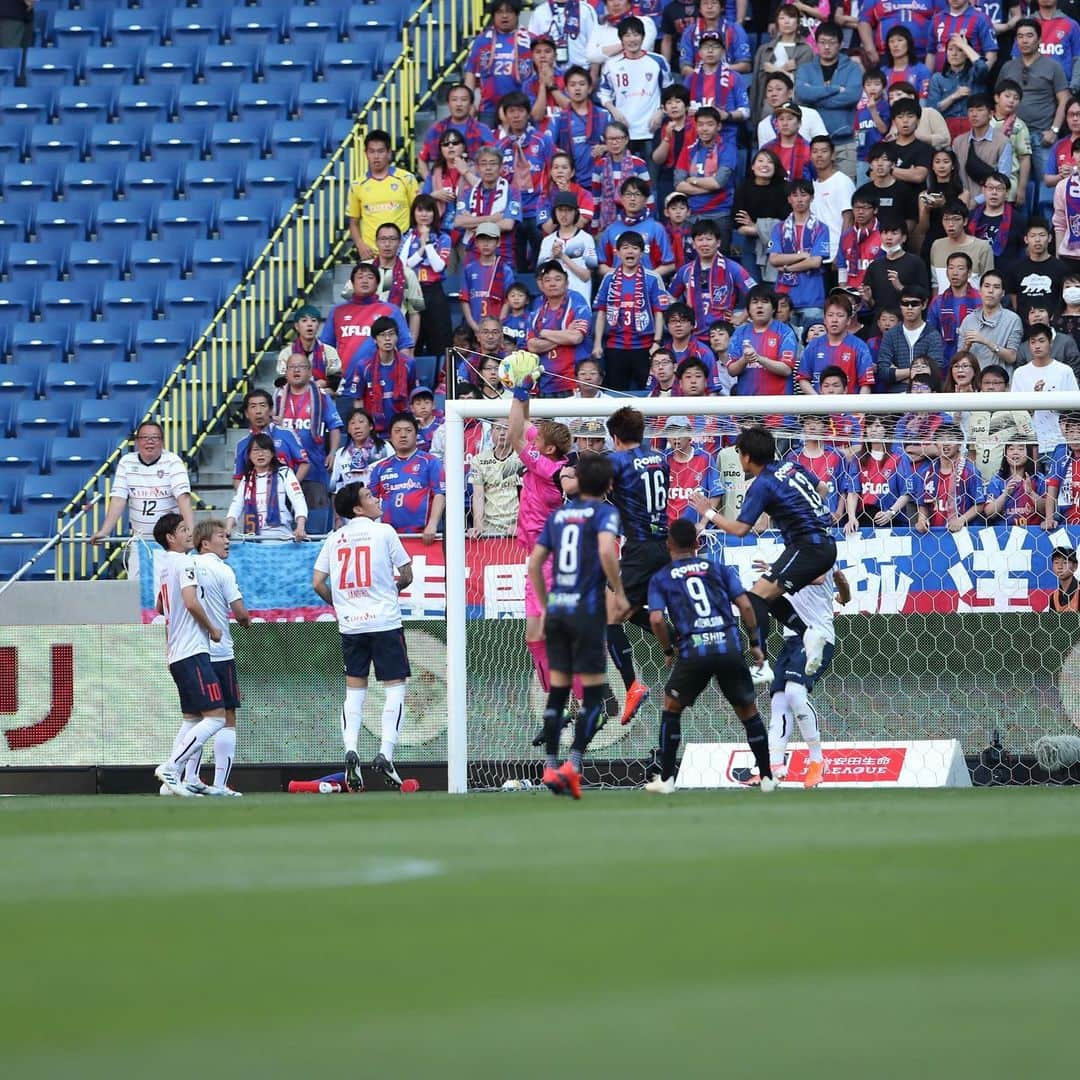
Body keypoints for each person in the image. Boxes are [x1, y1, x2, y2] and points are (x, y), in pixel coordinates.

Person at [691, 425, 835, 686]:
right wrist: (792, 513)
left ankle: (762, 664)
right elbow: (823, 489)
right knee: (765, 595)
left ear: (746, 457)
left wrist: (708, 512)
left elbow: (740, 530)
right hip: (820, 544)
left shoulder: (762, 484)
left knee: (753, 598)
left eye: (739, 453)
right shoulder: (791, 466)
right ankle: (808, 634)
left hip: (808, 547)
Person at [644, 518, 776, 794]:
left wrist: (668, 649)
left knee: (671, 706)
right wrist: (755, 643)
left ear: (668, 545)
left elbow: (656, 619)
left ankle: (667, 780)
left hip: (694, 651)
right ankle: (767, 778)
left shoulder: (661, 577)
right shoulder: (719, 569)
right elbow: (745, 605)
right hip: (728, 646)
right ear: (697, 543)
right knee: (748, 711)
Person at [528, 454, 629, 798]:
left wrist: (546, 604)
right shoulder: (605, 513)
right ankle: (573, 764)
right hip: (585, 612)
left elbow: (535, 562)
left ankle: (550, 766)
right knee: (593, 695)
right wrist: (619, 591)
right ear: (608, 485)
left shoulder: (558, 515)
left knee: (557, 692)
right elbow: (605, 552)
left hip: (558, 610)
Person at [312, 483, 415, 792]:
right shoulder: (383, 532)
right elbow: (407, 573)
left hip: (351, 625)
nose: (376, 499)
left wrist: (341, 604)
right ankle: (385, 752)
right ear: (358, 508)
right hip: (384, 621)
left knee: (355, 691)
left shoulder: (334, 539)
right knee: (395, 688)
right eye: (369, 496)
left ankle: (350, 749)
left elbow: (317, 582)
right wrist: (392, 590)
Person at [151, 513, 228, 798]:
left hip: (175, 653)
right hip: (192, 650)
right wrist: (213, 628)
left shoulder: (164, 566)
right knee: (217, 717)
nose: (188, 533)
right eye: (183, 529)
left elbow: (160, 606)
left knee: (192, 719)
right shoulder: (185, 562)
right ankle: (172, 767)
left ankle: (171, 783)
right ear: (171, 538)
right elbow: (190, 601)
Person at [604, 405, 672, 725]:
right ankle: (680, 642)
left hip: (640, 550)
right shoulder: (661, 457)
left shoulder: (617, 460)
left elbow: (591, 482)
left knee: (608, 618)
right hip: (663, 544)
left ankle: (632, 686)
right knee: (628, 612)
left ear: (615, 437)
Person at [766, 564, 851, 788]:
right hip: (793, 638)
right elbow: (840, 578)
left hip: (819, 636)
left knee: (795, 692)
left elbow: (822, 577)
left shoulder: (817, 553)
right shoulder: (791, 557)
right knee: (779, 699)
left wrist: (778, 573)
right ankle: (774, 767)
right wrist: (844, 596)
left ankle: (817, 760)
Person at [183, 519, 250, 797]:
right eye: (222, 536)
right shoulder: (222, 570)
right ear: (205, 542)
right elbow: (240, 614)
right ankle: (221, 783)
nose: (228, 541)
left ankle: (188, 778)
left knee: (197, 718)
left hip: (191, 652)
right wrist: (246, 620)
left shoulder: (184, 567)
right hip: (220, 653)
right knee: (225, 716)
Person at [89, 421, 194, 579]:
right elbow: (118, 499)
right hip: (140, 540)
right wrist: (105, 531)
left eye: (155, 438)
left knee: (171, 587)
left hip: (170, 540)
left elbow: (183, 498)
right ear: (137, 441)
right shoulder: (126, 462)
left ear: (162, 441)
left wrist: (190, 532)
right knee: (138, 589)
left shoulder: (173, 461)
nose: (149, 442)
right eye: (144, 437)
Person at [997, 18, 1070, 214]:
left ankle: (1047, 238)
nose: (1024, 40)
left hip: (1041, 136)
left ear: (1039, 39)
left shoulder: (1052, 66)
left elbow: (1064, 99)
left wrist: (1054, 130)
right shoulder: (1008, 67)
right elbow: (998, 99)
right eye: (1020, 36)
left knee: (1047, 194)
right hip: (1011, 136)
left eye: (1029, 36)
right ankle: (1020, 239)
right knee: (1012, 191)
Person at [273, 352, 343, 534]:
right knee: (284, 527)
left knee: (315, 527)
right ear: (286, 372)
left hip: (315, 470)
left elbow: (335, 426)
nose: (296, 370)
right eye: (292, 367)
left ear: (309, 371)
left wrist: (333, 452)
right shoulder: (278, 398)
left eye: (301, 367)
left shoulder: (321, 397)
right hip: (282, 472)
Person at [593, 231, 672, 392]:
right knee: (615, 394)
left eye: (635, 248)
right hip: (615, 346)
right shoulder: (609, 278)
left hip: (644, 347)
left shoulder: (652, 278)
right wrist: (597, 344)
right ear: (618, 252)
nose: (630, 252)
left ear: (642, 253)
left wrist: (656, 343)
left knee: (650, 392)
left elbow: (659, 313)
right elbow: (601, 312)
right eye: (625, 248)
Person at [598, 16, 673, 161]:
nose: (632, 39)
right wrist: (614, 111)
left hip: (652, 131)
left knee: (651, 181)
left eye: (636, 34)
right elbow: (604, 93)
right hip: (624, 133)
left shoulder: (657, 61)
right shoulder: (611, 65)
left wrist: (660, 112)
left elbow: (669, 92)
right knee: (625, 181)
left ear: (643, 37)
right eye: (627, 35)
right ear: (621, 39)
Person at [793, 21, 862, 179]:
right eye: (822, 42)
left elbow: (852, 96)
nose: (826, 47)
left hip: (844, 142)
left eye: (831, 43)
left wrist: (815, 98)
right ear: (816, 44)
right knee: (815, 194)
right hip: (813, 145)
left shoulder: (852, 68)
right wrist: (835, 89)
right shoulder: (805, 69)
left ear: (840, 44)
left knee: (846, 191)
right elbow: (802, 94)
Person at [369, 412, 446, 542]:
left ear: (416, 435)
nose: (403, 435)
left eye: (408, 430)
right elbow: (371, 499)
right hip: (390, 538)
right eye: (397, 431)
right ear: (390, 436)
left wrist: (432, 525)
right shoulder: (380, 467)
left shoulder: (430, 461)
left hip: (424, 535)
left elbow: (440, 494)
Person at [768, 178, 830, 333]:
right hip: (784, 298)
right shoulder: (779, 228)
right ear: (789, 199)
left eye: (804, 195)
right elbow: (774, 259)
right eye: (795, 195)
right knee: (784, 342)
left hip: (812, 297)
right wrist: (802, 255)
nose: (799, 199)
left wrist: (787, 268)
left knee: (812, 343)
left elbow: (815, 262)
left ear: (812, 197)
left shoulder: (821, 228)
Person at [345, 130, 418, 261]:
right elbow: (353, 222)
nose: (376, 156)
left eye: (380, 151)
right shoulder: (357, 185)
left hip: (403, 253)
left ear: (389, 153)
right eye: (372, 151)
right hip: (371, 254)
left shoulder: (407, 179)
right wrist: (360, 246)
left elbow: (418, 215)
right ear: (366, 154)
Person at [526, 259, 593, 397]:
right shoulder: (536, 312)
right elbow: (532, 346)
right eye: (547, 280)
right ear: (542, 285)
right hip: (545, 383)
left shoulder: (576, 302)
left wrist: (544, 333)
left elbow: (576, 337)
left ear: (567, 283)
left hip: (573, 382)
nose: (552, 283)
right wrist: (564, 335)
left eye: (558, 279)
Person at [344, 316, 418, 438]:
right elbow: (358, 401)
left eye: (391, 334)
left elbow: (413, 395)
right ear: (374, 339)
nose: (387, 339)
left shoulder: (409, 364)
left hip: (402, 430)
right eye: (382, 335)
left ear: (397, 337)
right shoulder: (363, 366)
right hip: (374, 433)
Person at [400, 196, 454, 359]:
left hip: (434, 291)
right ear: (414, 212)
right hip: (412, 291)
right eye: (420, 209)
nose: (424, 214)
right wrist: (422, 249)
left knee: (440, 342)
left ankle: (443, 382)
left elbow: (438, 266)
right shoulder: (406, 237)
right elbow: (403, 265)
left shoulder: (443, 238)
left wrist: (427, 243)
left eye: (428, 210)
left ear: (434, 213)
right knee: (411, 343)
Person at [227, 433, 308, 541]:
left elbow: (298, 499)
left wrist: (300, 527)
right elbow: (236, 505)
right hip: (252, 538)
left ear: (272, 453)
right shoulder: (246, 479)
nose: (260, 454)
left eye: (265, 449)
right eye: (256, 450)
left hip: (280, 535)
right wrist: (228, 528)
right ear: (249, 455)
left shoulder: (285, 473)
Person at [464, 0, 532, 126]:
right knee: (488, 145)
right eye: (499, 12)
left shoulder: (528, 39)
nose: (504, 16)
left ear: (517, 14)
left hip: (520, 109)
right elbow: (470, 72)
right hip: (488, 109)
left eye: (509, 12)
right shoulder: (482, 39)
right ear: (493, 16)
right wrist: (469, 102)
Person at [727, 284, 799, 397]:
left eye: (765, 301)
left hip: (779, 408)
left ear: (774, 308)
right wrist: (744, 360)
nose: (759, 306)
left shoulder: (785, 332)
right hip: (747, 407)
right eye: (755, 302)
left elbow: (786, 369)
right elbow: (731, 370)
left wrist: (758, 359)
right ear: (749, 309)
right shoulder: (739, 333)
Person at [796, 292, 874, 393]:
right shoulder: (813, 346)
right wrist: (818, 402)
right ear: (824, 319)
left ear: (848, 320)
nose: (834, 320)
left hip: (850, 407)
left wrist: (857, 408)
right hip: (820, 407)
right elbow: (803, 379)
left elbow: (866, 384)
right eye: (830, 315)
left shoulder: (859, 347)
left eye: (840, 315)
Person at [417, 82, 496, 179]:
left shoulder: (483, 130)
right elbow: (422, 159)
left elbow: (494, 159)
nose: (459, 104)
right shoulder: (436, 129)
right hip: (444, 185)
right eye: (454, 100)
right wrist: (431, 182)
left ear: (471, 104)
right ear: (448, 103)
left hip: (473, 183)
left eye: (464, 100)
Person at [232, 388, 309, 485]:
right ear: (247, 413)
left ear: (271, 410)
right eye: (253, 406)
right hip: (256, 498)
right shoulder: (242, 444)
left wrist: (290, 488)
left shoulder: (287, 434)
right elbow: (237, 478)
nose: (258, 411)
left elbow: (304, 463)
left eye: (263, 406)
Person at [876, 284, 945, 390]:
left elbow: (935, 370)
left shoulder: (933, 335)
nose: (909, 308)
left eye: (914, 304)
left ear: (924, 304)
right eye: (905, 303)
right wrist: (914, 371)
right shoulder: (891, 335)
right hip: (897, 397)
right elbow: (884, 372)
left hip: (925, 395)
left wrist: (898, 373)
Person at [951, 93, 1014, 205]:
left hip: (991, 204)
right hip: (961, 202)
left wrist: (976, 201)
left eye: (980, 110)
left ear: (991, 114)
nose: (974, 114)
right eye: (971, 110)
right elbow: (954, 175)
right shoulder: (958, 142)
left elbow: (1003, 180)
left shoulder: (1003, 142)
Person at [957, 270, 1023, 370]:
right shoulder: (969, 320)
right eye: (987, 286)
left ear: (1003, 293)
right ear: (980, 290)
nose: (990, 291)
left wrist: (986, 341)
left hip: (1000, 381)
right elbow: (959, 359)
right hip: (975, 380)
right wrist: (966, 346)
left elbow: (1012, 357)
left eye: (996, 287)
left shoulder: (1013, 319)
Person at [468, 419, 521, 537]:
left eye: (506, 428)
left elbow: (529, 495)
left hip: (517, 526)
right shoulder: (479, 460)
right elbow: (478, 496)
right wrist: (478, 525)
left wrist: (522, 524)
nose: (502, 432)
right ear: (491, 433)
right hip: (490, 528)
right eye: (497, 428)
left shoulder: (523, 458)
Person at [810, 136, 855, 264]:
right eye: (815, 151)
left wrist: (841, 253)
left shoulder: (842, 182)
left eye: (824, 151)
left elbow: (849, 219)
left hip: (836, 255)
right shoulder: (813, 185)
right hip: (816, 255)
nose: (819, 155)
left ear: (833, 155)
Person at [275, 305, 341, 389]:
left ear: (318, 325)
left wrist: (325, 383)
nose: (309, 324)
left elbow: (337, 380)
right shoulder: (287, 353)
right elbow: (281, 381)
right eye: (304, 321)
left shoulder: (329, 351)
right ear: (297, 326)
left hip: (322, 397)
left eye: (313, 321)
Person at [328, 407, 391, 493]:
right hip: (352, 503)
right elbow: (335, 487)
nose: (357, 427)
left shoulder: (384, 447)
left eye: (361, 422)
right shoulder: (341, 453)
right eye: (352, 423)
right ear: (348, 430)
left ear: (370, 426)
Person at [983, 441, 1045, 525]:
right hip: (1004, 533)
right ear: (1005, 454)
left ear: (1029, 453)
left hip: (1032, 531)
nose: (1015, 452)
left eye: (1021, 449)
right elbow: (988, 513)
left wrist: (1031, 493)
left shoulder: (1037, 478)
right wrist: (1005, 494)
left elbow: (1048, 511)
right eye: (1011, 449)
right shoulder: (997, 480)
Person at [1048, 544, 1080, 609]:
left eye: (1065, 562)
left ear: (1075, 566)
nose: (1060, 567)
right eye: (1056, 562)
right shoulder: (1054, 597)